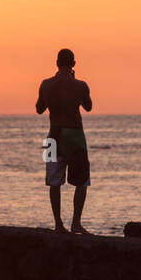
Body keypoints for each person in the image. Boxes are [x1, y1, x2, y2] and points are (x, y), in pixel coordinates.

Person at [36, 48, 92, 234]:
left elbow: (39, 108)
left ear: (56, 63)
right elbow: (89, 106)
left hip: (53, 135)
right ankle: (76, 223)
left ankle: (58, 224)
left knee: (53, 182)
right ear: (73, 64)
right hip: (75, 135)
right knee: (81, 181)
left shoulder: (45, 84)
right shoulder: (81, 85)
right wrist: (74, 84)